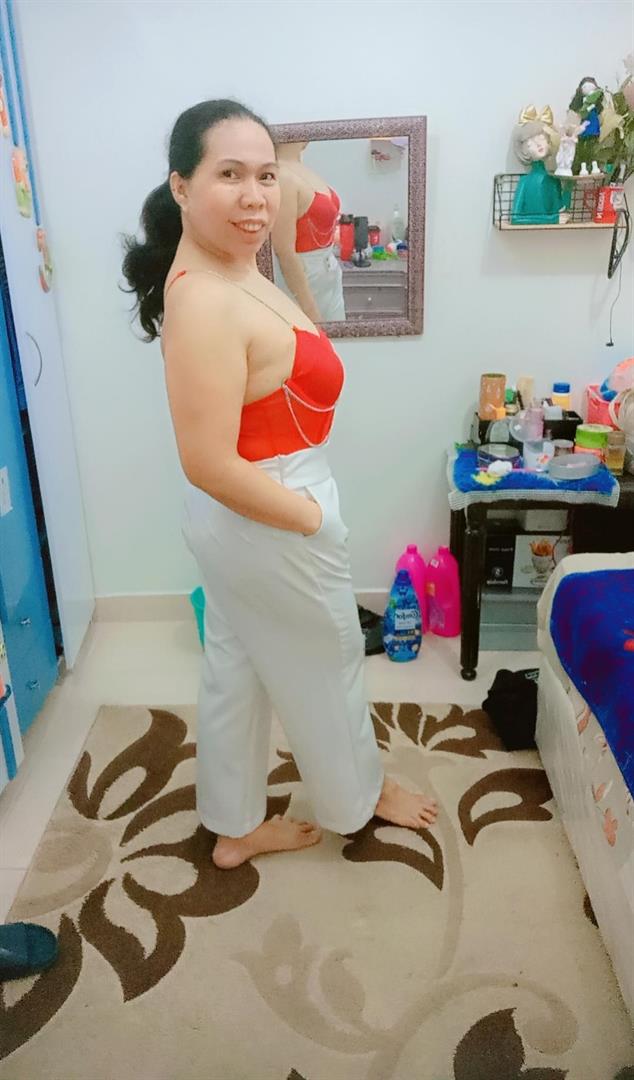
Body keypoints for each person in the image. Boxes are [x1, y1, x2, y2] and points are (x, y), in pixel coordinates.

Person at [122, 99, 438, 870]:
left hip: (250, 512)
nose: (256, 196)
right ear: (182, 186)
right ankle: (358, 800)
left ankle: (233, 826)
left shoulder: (236, 269)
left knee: (238, 667)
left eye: (265, 175)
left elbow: (288, 349)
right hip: (265, 506)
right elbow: (207, 462)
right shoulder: (204, 300)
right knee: (329, 661)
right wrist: (307, 519)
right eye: (229, 174)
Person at [272, 141, 346, 322]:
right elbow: (284, 251)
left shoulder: (301, 169)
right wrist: (310, 311)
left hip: (329, 270)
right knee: (312, 333)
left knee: (336, 333)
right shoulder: (282, 177)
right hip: (304, 275)